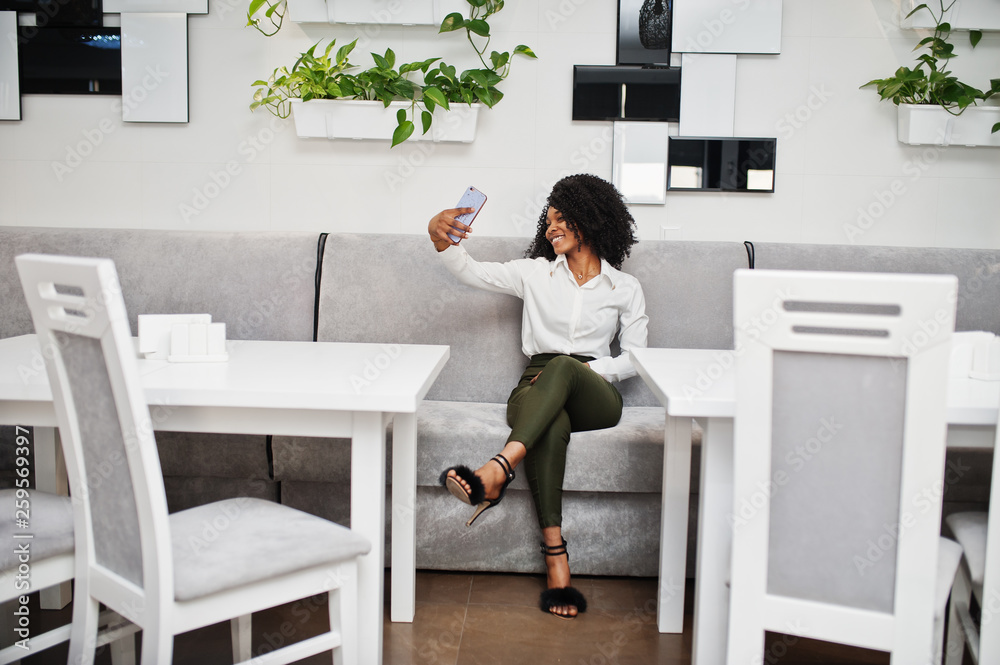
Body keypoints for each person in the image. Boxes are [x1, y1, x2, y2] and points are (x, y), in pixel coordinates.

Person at [428, 173, 648, 619]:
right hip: (534, 387)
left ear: (590, 220)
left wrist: (594, 369)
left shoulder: (624, 287)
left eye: (562, 218)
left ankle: (497, 469)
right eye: (548, 220)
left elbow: (637, 359)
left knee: (564, 366)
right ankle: (557, 564)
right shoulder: (533, 273)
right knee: (552, 425)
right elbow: (472, 271)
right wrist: (441, 236)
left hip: (597, 393)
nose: (550, 228)